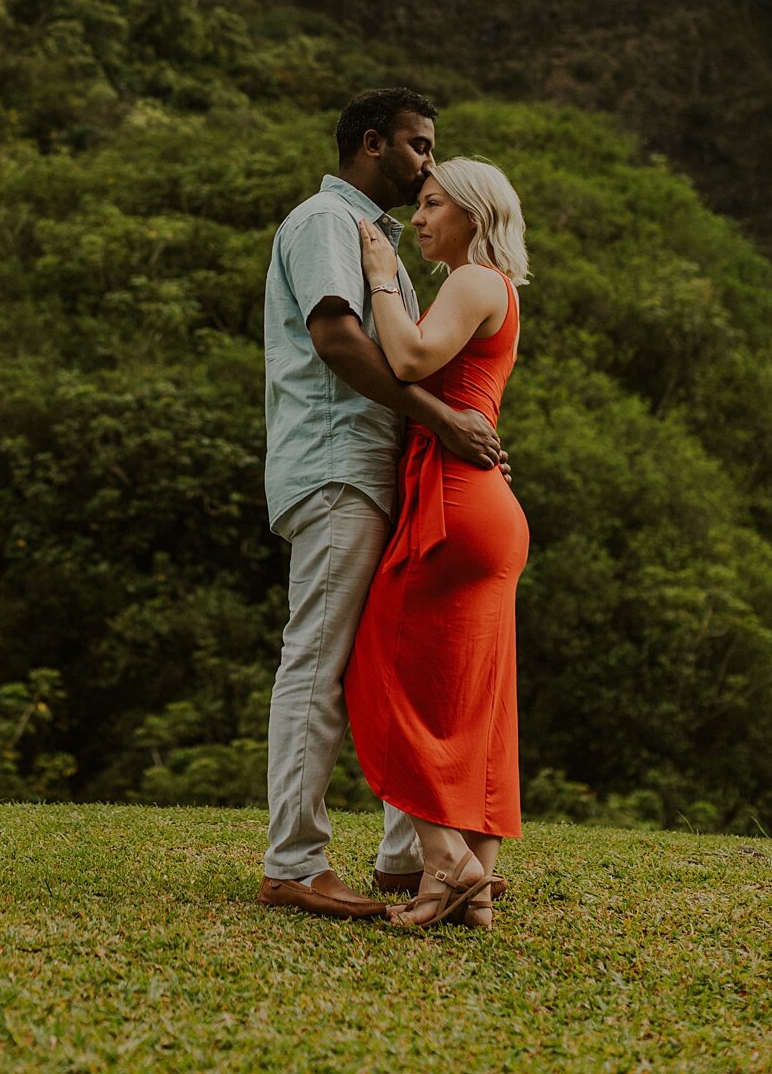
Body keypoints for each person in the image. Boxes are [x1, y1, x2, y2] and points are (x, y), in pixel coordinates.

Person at [257, 90, 509, 922]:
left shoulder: (384, 246)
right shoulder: (328, 223)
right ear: (375, 144)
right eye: (419, 146)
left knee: (391, 660)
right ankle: (294, 860)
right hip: (339, 469)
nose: (430, 163)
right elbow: (336, 338)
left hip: (378, 472)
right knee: (322, 662)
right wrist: (443, 421)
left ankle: (411, 858)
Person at [345, 157, 530, 930]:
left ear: (474, 214)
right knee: (473, 698)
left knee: (380, 672)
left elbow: (408, 360)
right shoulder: (499, 291)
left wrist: (382, 277)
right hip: (476, 505)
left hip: (454, 505)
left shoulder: (473, 280)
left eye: (431, 205)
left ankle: (445, 862)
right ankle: (470, 886)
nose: (417, 219)